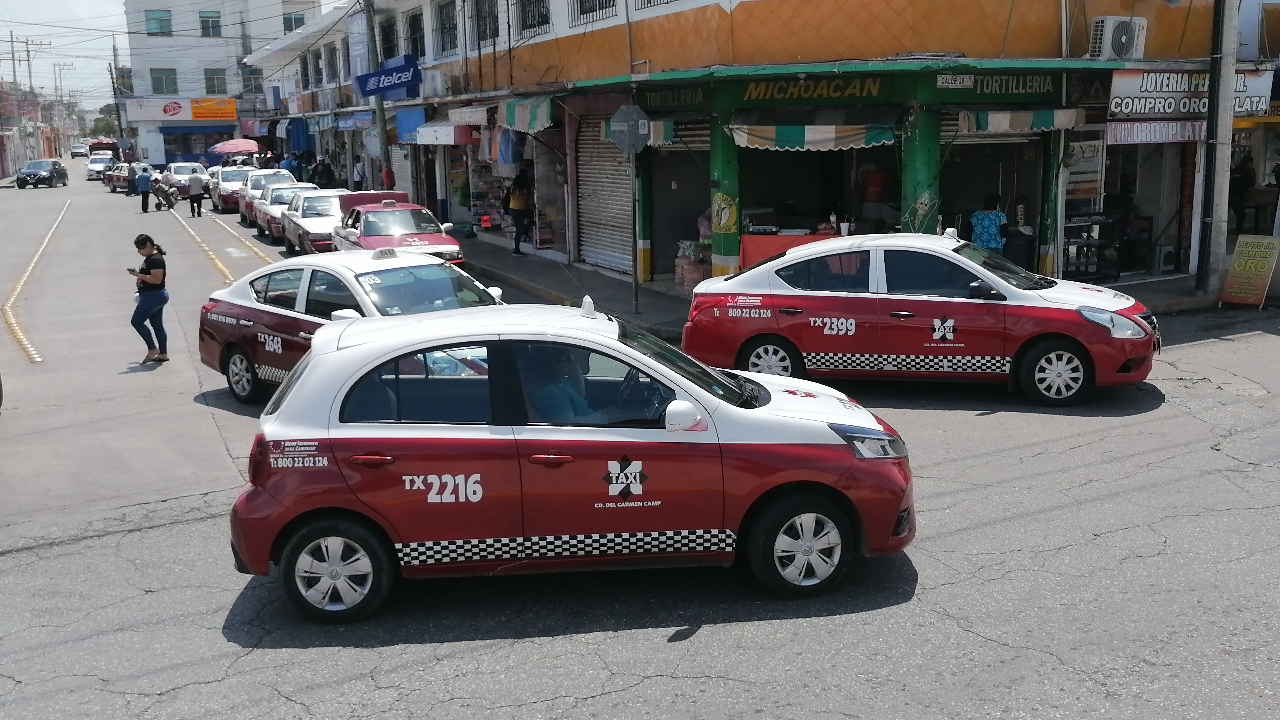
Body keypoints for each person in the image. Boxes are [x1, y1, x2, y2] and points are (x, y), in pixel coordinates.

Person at [128, 234, 169, 363]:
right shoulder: (150, 257)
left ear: (148, 246)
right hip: (154, 295)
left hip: (153, 295)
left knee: (136, 321)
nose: (139, 252)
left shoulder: (156, 259)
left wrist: (138, 274)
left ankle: (153, 349)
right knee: (157, 325)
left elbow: (157, 280)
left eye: (140, 249)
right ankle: (163, 354)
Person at [503, 171, 534, 256]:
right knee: (520, 229)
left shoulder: (513, 187)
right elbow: (527, 198)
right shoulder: (524, 188)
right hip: (519, 210)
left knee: (522, 226)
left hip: (513, 210)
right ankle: (516, 249)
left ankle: (524, 231)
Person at [1229, 155, 1256, 233]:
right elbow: (1252, 183)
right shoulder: (1249, 170)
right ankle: (1238, 232)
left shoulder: (1235, 169)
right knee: (1241, 215)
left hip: (1230, 194)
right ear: (1249, 162)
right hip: (1239, 195)